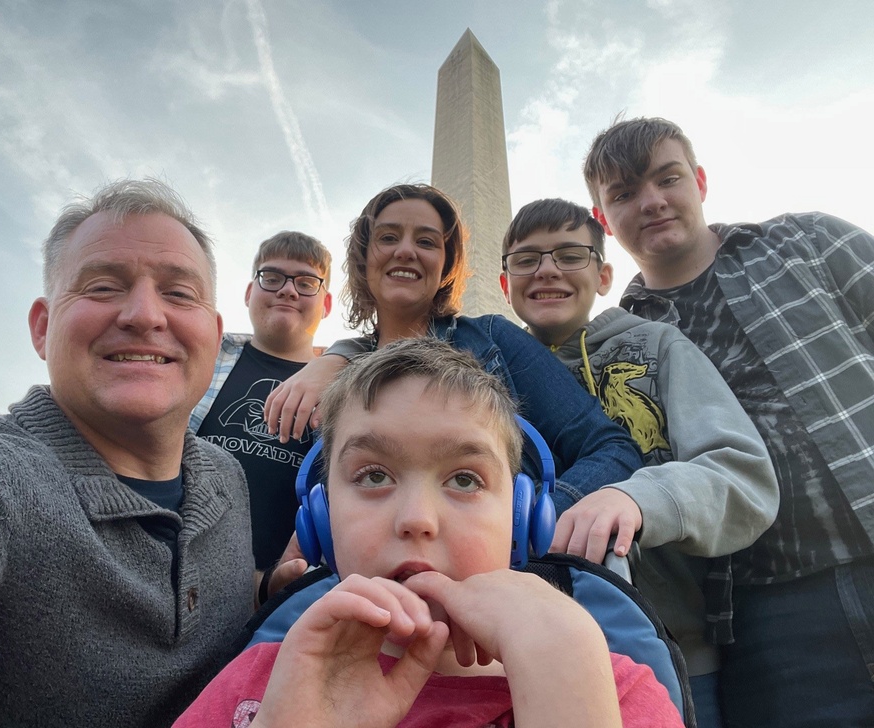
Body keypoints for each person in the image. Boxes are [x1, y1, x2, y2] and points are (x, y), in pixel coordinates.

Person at [0, 179, 298, 727]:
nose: (145, 315)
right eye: (102, 287)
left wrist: (263, 587)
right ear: (43, 328)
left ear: (215, 337)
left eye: (178, 293)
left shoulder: (225, 478)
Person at [174, 338, 684, 727]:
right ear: (320, 521)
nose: (417, 518)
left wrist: (563, 679)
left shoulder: (611, 685)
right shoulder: (260, 682)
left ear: (524, 517)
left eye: (465, 479)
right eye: (374, 476)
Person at [584, 116, 874, 727]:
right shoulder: (616, 348)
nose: (653, 201)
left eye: (668, 178)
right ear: (603, 217)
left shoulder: (809, 240)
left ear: (701, 181)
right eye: (625, 193)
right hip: (762, 620)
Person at [499, 197, 778, 727]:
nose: (548, 269)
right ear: (504, 281)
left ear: (603, 275)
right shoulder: (483, 372)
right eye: (527, 258)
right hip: (513, 659)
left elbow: (741, 474)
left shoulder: (657, 347)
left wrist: (636, 497)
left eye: (569, 254)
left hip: (672, 651)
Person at [263, 183, 643, 509]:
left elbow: (610, 448)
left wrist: (530, 525)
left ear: (446, 266)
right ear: (364, 261)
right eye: (388, 237)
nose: (406, 251)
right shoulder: (329, 377)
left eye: (426, 241)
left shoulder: (492, 339)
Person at [190, 231, 332, 569]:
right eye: (271, 277)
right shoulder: (198, 356)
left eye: (306, 282)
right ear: (249, 292)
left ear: (325, 305)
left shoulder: (347, 386)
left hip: (284, 598)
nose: (288, 289)